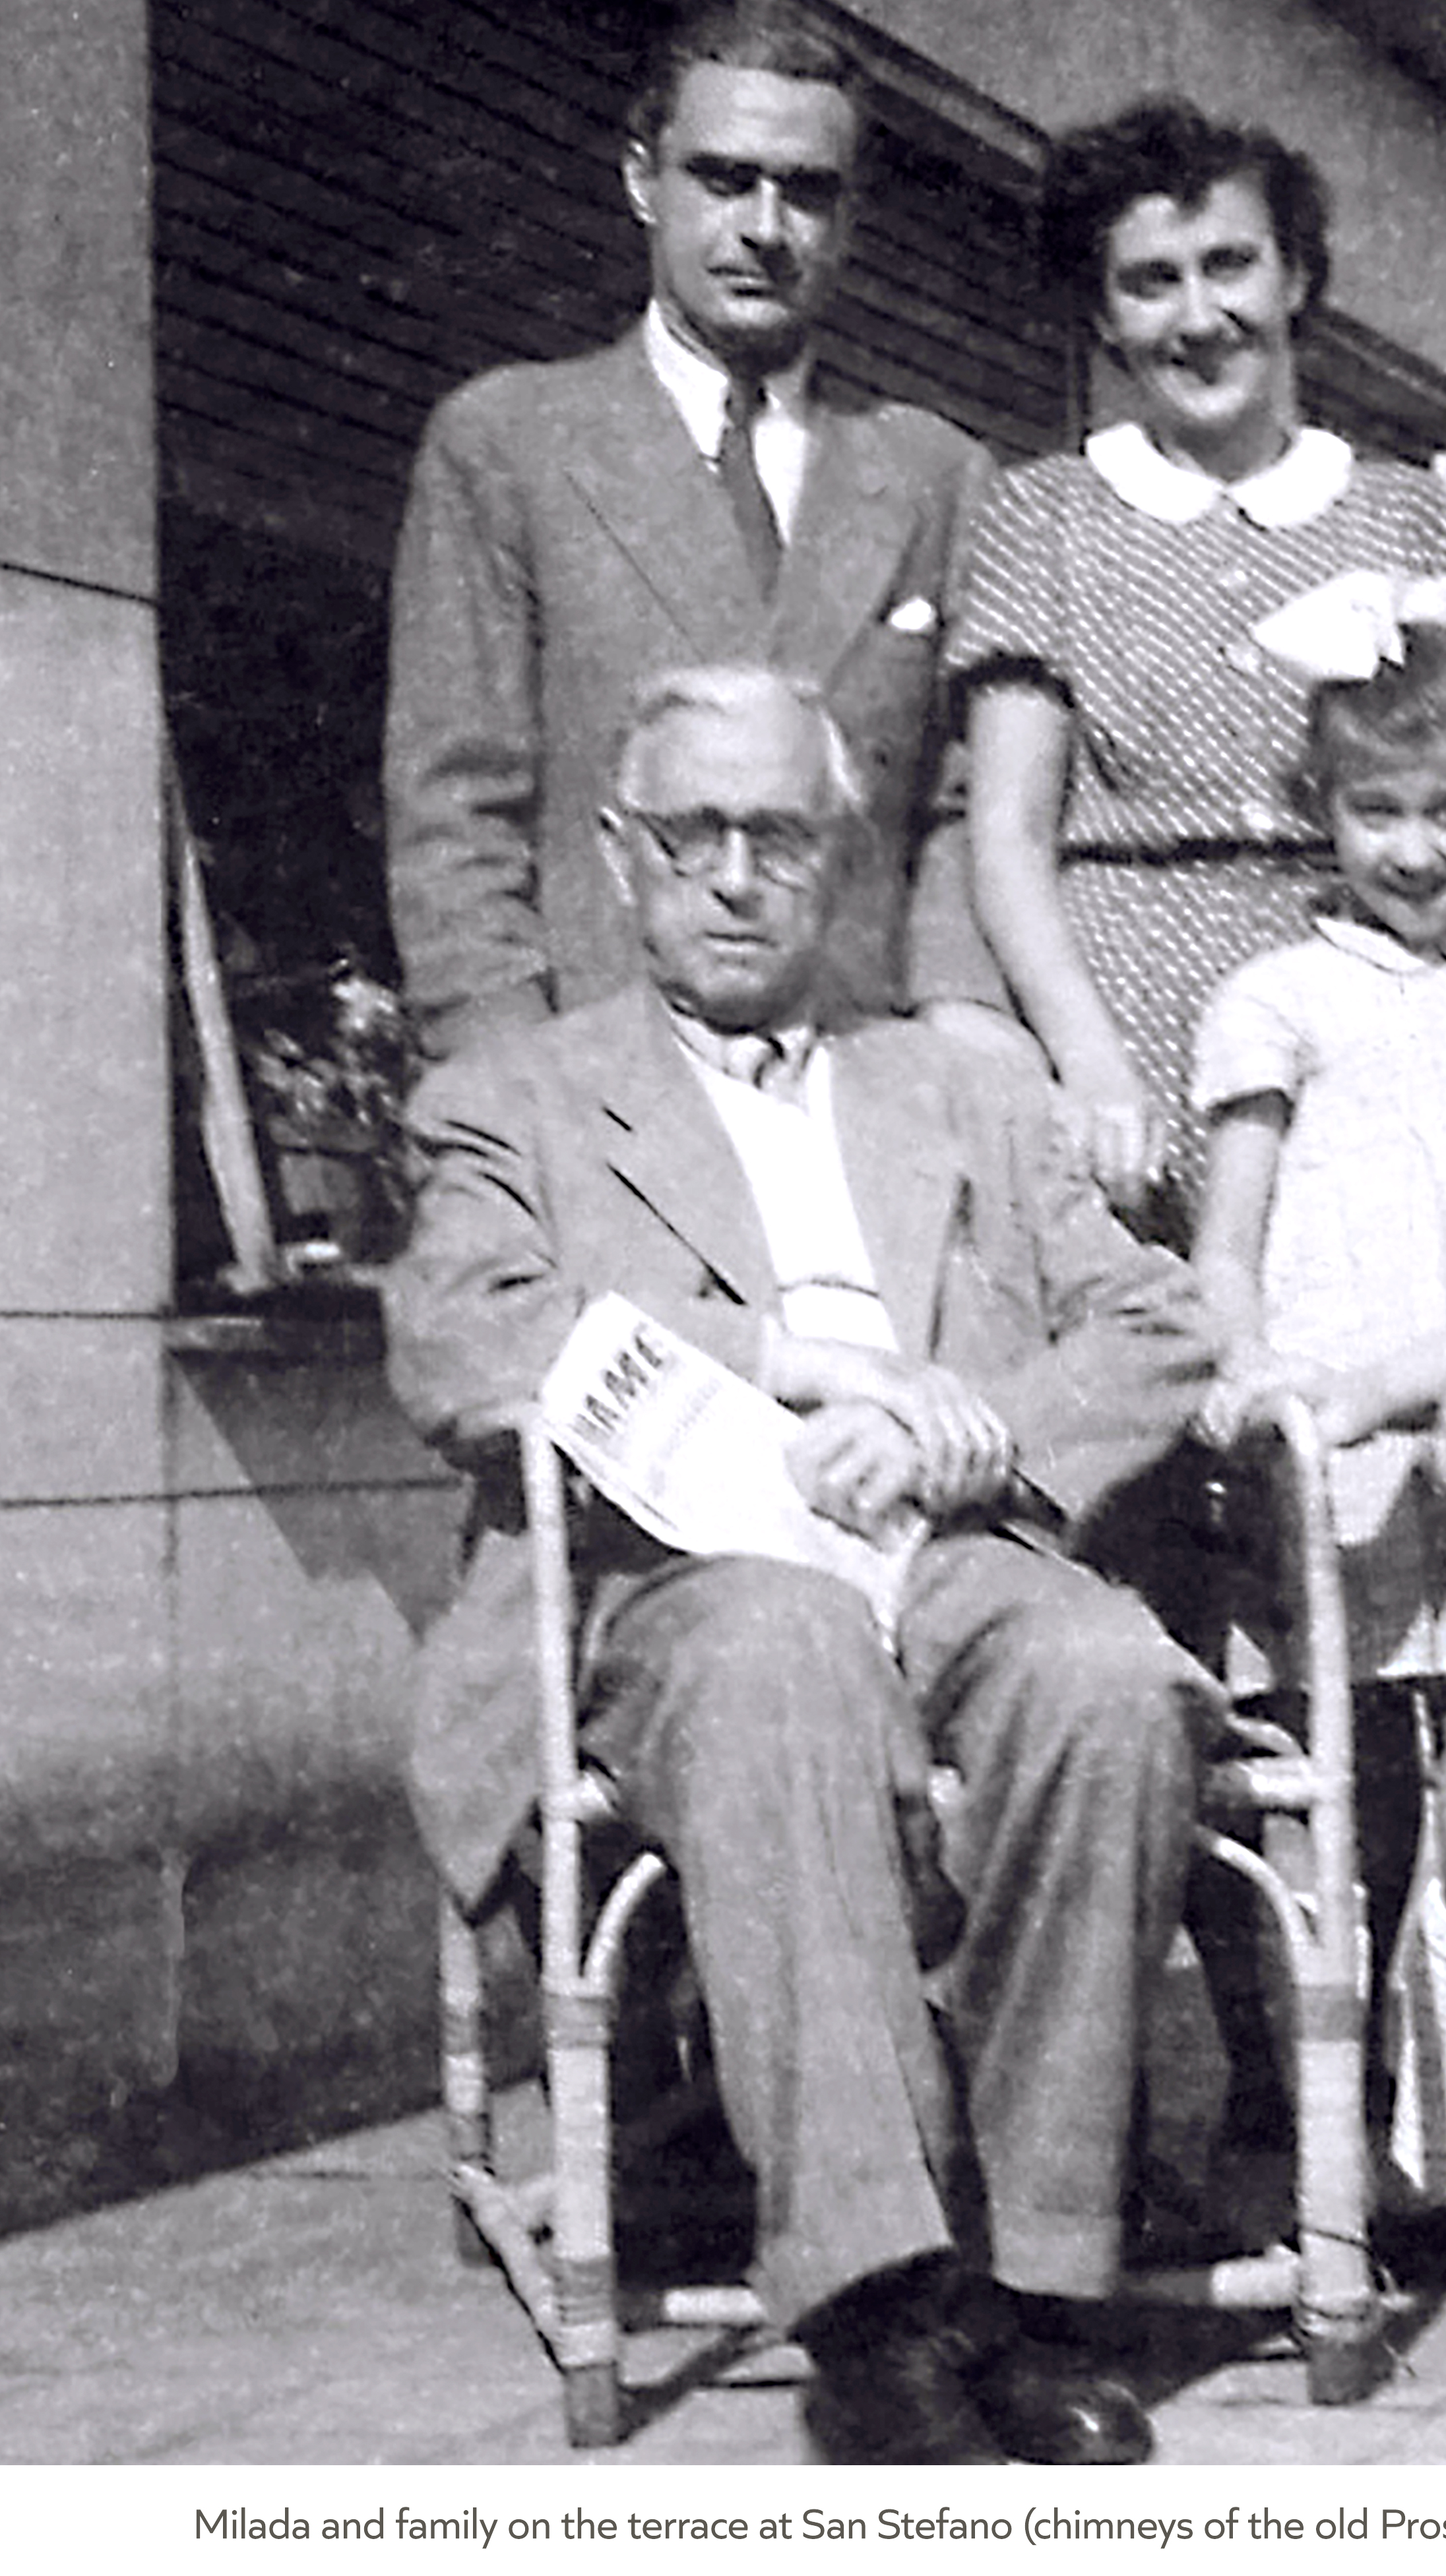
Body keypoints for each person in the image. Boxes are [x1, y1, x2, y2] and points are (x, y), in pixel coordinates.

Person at [385, 664, 1222, 2466]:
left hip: (946, 1542)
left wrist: (964, 1426)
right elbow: (461, 1346)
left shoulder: (957, 1090)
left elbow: (1158, 1322)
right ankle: (877, 2305)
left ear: (839, 861)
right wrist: (781, 1365)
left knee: (1112, 1678)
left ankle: (1034, 2286)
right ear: (621, 860)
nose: (739, 875)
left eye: (781, 834)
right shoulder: (515, 1097)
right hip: (674, 1584)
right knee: (782, 1655)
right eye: (695, 834)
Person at [932, 96, 1446, 1239]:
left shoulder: (1407, 513)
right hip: (1137, 1044)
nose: (1200, 316)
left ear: (1297, 279)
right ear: (1104, 317)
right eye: (1151, 281)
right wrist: (1090, 1064)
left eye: (1231, 266)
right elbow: (1009, 837)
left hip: (1383, 1019)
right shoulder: (1043, 515)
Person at [1183, 627, 1446, 2244]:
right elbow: (1228, 1234)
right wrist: (1251, 1367)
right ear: (1322, 810)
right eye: (1379, 811)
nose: (1416, 849)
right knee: (1332, 1807)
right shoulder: (1275, 997)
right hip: (1331, 1459)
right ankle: (1321, 2138)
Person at [385, 0, 997, 1062]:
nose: (765, 229)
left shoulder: (936, 475)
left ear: (851, 220)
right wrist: (513, 1090)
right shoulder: (509, 444)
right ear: (641, 181)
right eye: (723, 179)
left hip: (862, 1089)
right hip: (604, 1086)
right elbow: (457, 811)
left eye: (808, 193)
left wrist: (952, 1036)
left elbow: (958, 809)